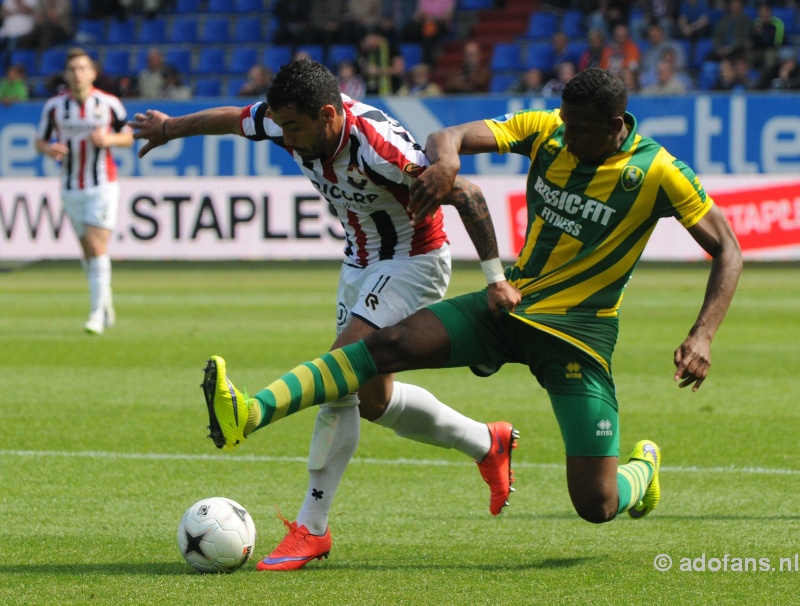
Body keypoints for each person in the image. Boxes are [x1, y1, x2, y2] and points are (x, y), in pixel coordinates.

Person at [202, 67, 742, 538]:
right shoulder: (548, 130)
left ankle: (642, 471)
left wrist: (703, 335)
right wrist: (446, 164)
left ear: (615, 126)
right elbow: (449, 132)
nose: (566, 135)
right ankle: (254, 410)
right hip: (511, 306)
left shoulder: (658, 172)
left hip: (578, 335)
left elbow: (728, 251)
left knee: (595, 504)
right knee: (385, 344)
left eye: (580, 130)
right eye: (564, 121)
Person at [129, 59, 521, 570]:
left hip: (412, 261)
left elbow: (467, 194)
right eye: (281, 126)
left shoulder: (380, 149)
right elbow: (230, 119)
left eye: (294, 128)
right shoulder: (285, 120)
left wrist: (496, 279)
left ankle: (309, 522)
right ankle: (486, 442)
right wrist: (169, 128)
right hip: (358, 262)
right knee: (374, 401)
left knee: (338, 377)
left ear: (329, 115)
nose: (286, 139)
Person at [35, 47, 134, 334]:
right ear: (66, 75)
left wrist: (108, 138)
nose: (77, 74)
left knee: (95, 244)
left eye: (82, 68)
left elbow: (128, 138)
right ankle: (105, 301)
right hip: (69, 186)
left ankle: (95, 315)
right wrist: (49, 148)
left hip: (102, 184)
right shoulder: (54, 107)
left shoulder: (109, 104)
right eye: (72, 69)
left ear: (92, 73)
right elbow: (39, 141)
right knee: (88, 251)